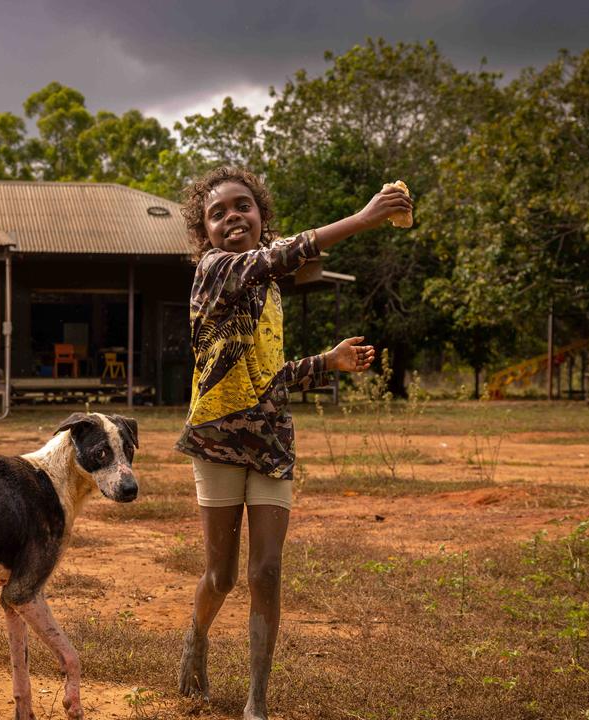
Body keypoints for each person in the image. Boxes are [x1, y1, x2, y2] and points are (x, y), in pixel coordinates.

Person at [174, 166, 411, 719]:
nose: (233, 216)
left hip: (272, 440)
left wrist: (327, 362)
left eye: (243, 206)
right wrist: (365, 217)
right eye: (218, 213)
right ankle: (197, 636)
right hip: (217, 439)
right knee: (222, 575)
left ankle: (256, 699)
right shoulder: (216, 271)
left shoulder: (270, 292)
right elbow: (286, 253)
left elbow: (268, 377)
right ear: (203, 234)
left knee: (267, 572)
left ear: (261, 216)